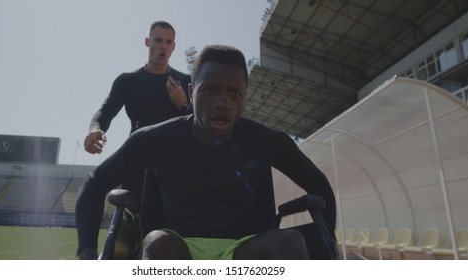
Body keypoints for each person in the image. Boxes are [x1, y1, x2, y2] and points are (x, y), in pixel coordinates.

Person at [76, 45, 336, 260]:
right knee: (156, 243)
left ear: (244, 97)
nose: (223, 102)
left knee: (290, 242)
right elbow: (95, 183)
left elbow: (319, 185)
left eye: (234, 93)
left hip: (243, 250)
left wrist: (329, 244)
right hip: (179, 249)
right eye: (210, 90)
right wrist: (87, 254)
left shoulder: (267, 141)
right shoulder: (155, 139)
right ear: (191, 92)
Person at [84, 20, 191, 155]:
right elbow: (105, 113)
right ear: (147, 41)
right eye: (158, 40)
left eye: (168, 42)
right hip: (138, 157)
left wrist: (183, 105)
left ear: (174, 46)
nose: (163, 46)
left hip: (173, 160)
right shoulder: (127, 81)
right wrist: (94, 130)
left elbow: (201, 124)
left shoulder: (186, 82)